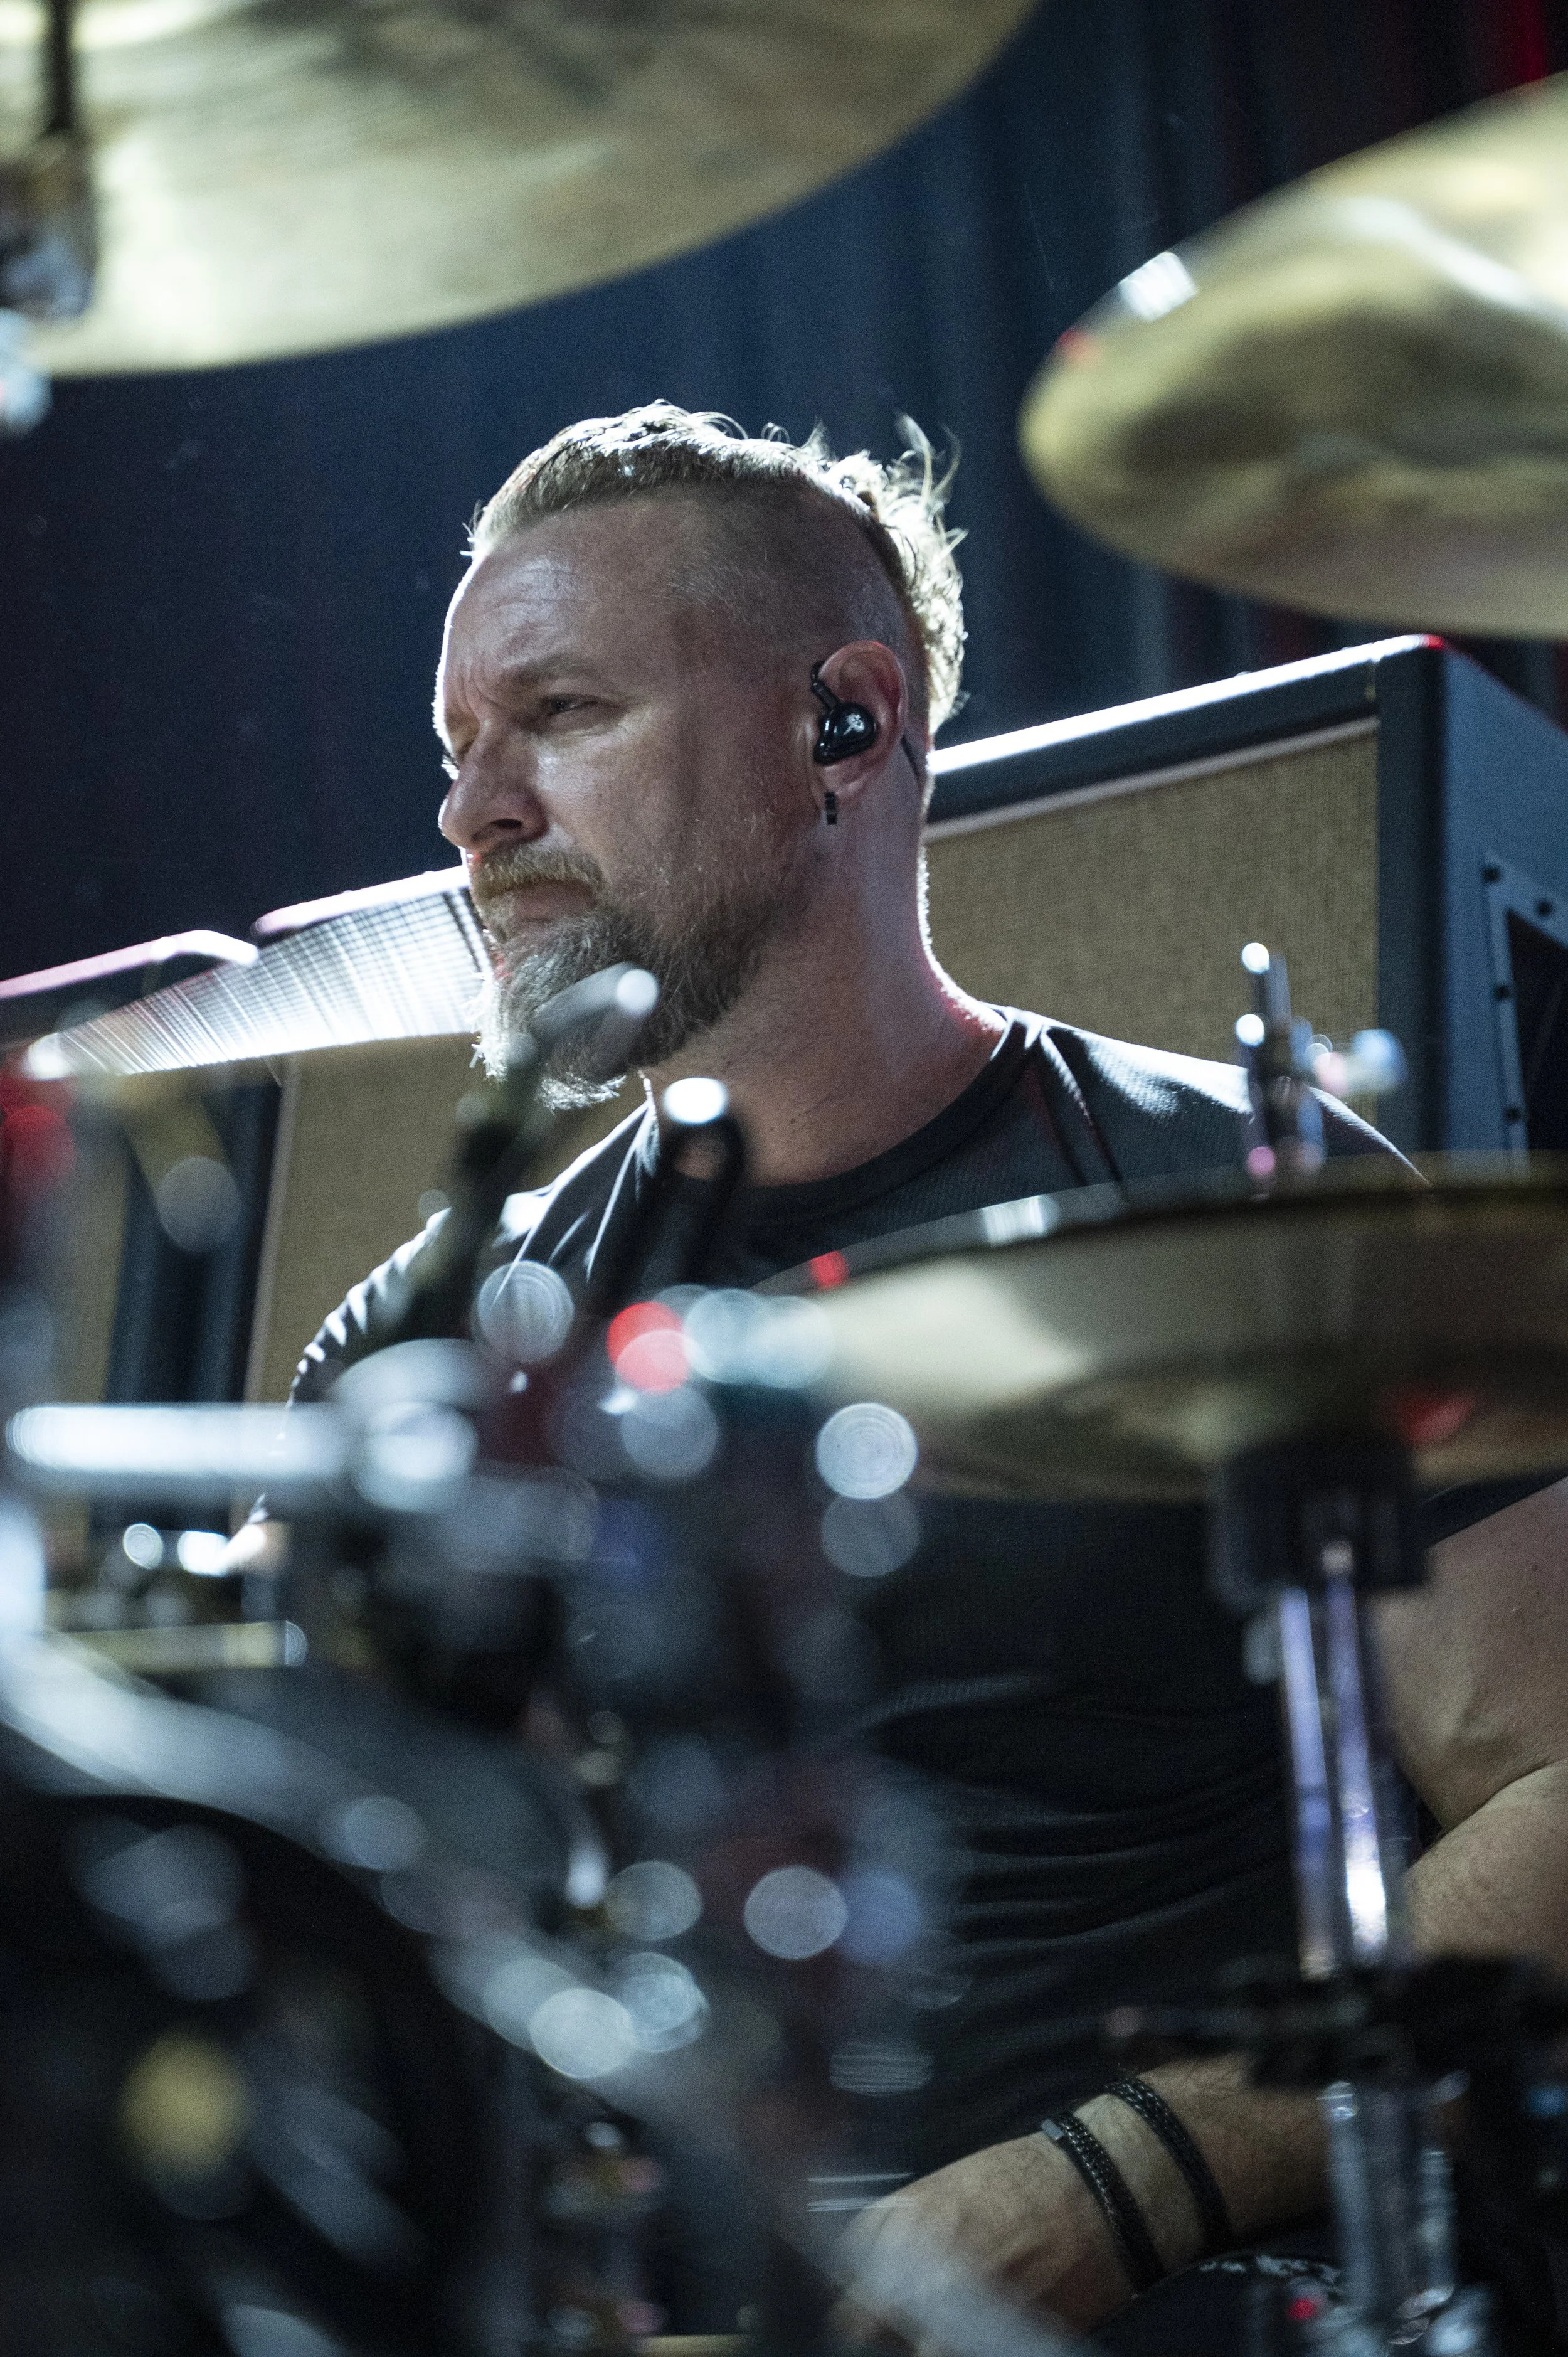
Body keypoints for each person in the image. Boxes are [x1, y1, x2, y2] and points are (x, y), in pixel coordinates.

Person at [294, 403, 1568, 2346]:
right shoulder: (435, 1338)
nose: (475, 813)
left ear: (846, 724)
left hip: (1176, 2287)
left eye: (557, 715)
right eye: (457, 749)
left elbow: (1551, 1789)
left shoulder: (1236, 1210)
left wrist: (1111, 2185)